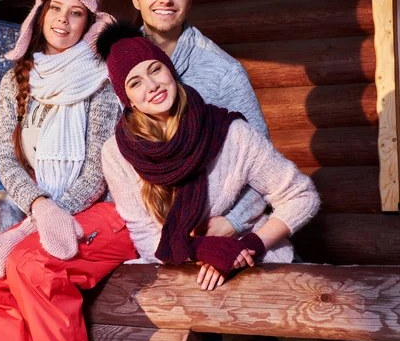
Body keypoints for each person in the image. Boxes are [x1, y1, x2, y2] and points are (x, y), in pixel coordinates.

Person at [0, 0, 137, 341]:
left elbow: (97, 171)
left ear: (89, 23)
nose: (63, 20)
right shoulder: (17, 78)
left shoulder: (103, 79)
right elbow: (6, 159)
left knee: (32, 266)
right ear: (40, 13)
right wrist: (39, 207)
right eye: (56, 8)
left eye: (76, 13)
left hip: (105, 209)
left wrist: (52, 213)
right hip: (45, 207)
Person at [97, 22, 320, 290]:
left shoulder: (228, 132)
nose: (153, 85)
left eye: (155, 69)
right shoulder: (116, 154)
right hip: (188, 277)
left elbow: (301, 196)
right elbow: (145, 233)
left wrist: (247, 246)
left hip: (262, 268)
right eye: (135, 82)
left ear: (170, 70)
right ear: (128, 99)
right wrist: (203, 250)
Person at [130, 0, 270, 239]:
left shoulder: (223, 71)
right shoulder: (115, 66)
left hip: (210, 228)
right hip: (140, 232)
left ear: (190, 0)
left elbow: (265, 166)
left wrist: (234, 222)